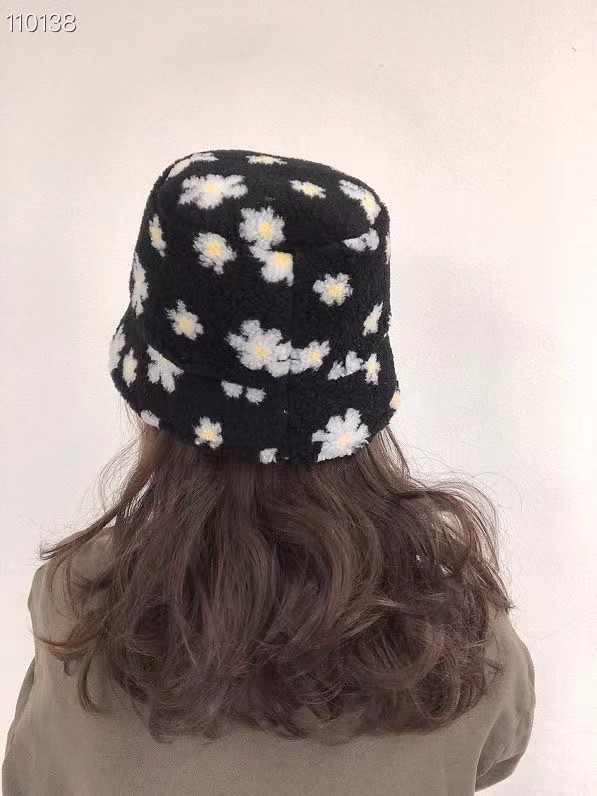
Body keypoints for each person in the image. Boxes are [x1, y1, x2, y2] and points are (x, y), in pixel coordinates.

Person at [3, 150, 535, 795]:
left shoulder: (75, 611)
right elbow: (496, 755)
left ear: (147, 402)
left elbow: (31, 779)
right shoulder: (463, 639)